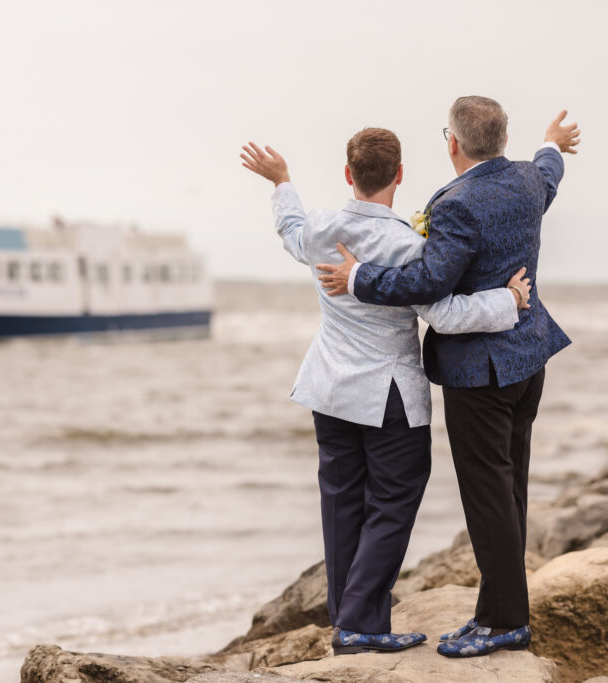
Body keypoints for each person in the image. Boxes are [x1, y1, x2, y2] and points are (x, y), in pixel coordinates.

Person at [240, 127, 531, 654]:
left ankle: (354, 620)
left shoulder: (322, 228)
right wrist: (507, 302)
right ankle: (359, 622)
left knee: (342, 500)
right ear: (399, 175)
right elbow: (442, 313)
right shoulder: (406, 243)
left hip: (328, 388)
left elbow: (289, 229)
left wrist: (281, 181)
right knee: (394, 500)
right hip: (388, 393)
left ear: (348, 175)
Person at [314, 97, 580, 658]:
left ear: (453, 143)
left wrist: (359, 277)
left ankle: (506, 620)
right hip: (529, 358)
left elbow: (430, 282)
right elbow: (551, 169)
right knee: (509, 491)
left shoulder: (457, 203)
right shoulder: (531, 180)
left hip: (479, 372)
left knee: (489, 497)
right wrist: (554, 141)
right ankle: (497, 610)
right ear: (502, 140)